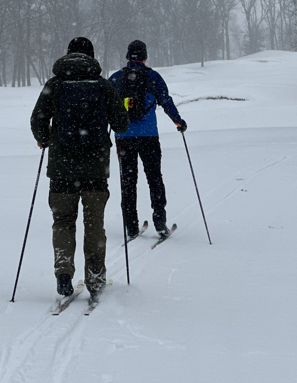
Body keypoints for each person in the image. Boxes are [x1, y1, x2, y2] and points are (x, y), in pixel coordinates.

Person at [30, 37, 129, 299]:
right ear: (91, 57)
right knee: (94, 223)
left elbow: (38, 120)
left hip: (62, 168)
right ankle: (95, 278)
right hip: (95, 169)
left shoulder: (55, 85)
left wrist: (46, 137)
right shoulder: (103, 86)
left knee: (63, 221)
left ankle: (64, 273)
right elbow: (121, 124)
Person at [109, 39, 187, 240]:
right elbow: (166, 102)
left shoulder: (116, 78)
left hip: (123, 138)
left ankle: (131, 226)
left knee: (128, 182)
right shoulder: (153, 77)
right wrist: (179, 122)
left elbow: (105, 108)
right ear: (145, 57)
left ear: (127, 57)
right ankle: (160, 222)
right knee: (154, 178)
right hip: (149, 137)